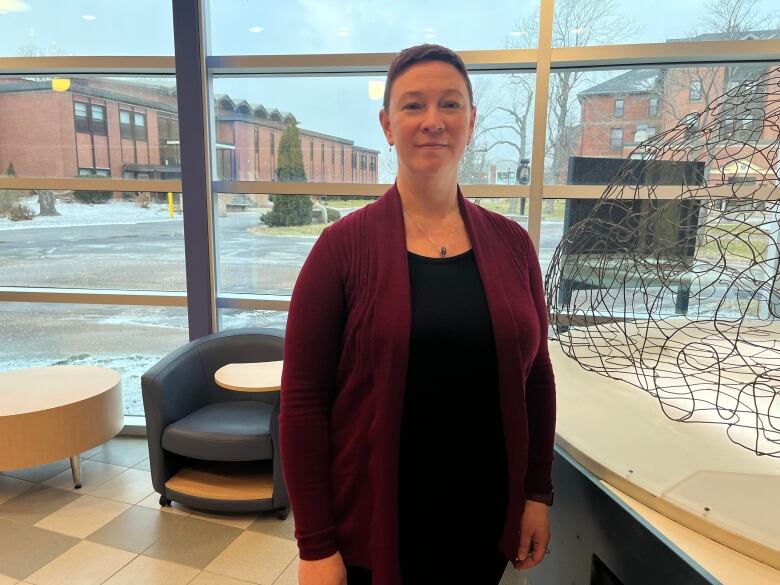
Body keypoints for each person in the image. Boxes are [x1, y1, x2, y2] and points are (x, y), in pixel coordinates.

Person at [279, 43, 556, 585]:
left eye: (450, 104)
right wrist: (314, 544)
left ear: (471, 122)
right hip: (376, 527)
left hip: (482, 523)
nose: (433, 121)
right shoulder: (340, 250)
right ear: (387, 125)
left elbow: (536, 378)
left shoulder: (512, 245)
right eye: (413, 106)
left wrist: (536, 494)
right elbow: (303, 404)